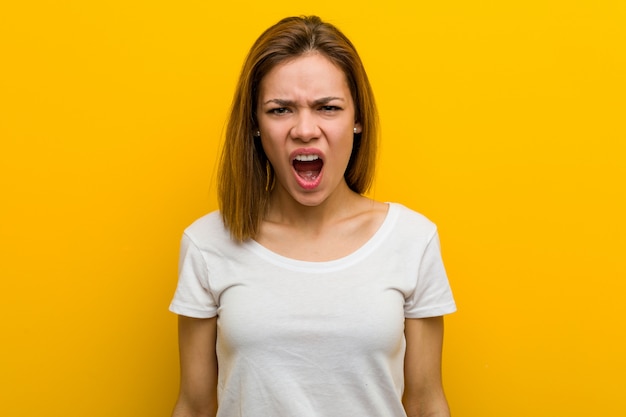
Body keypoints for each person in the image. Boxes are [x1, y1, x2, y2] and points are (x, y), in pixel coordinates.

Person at [169, 15, 456, 417]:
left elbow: (426, 402)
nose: (305, 129)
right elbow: (195, 406)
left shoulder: (412, 240)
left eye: (328, 108)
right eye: (281, 109)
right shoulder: (207, 243)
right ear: (254, 123)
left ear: (357, 120)